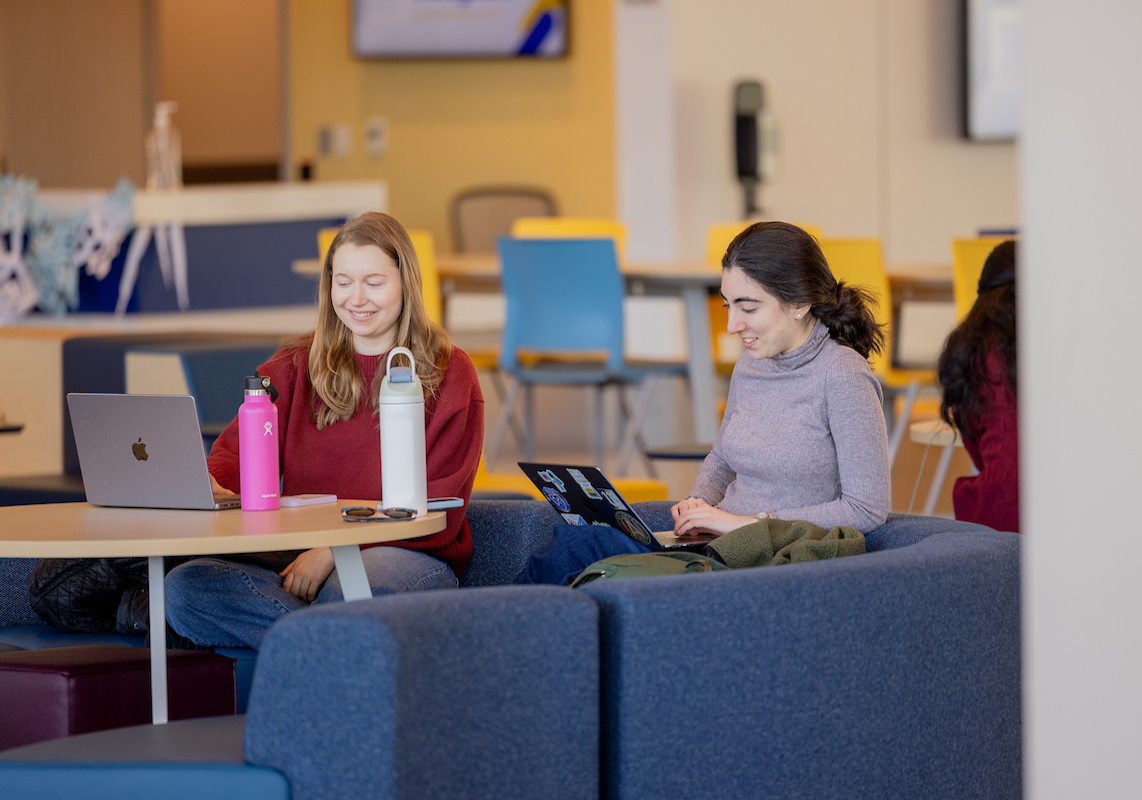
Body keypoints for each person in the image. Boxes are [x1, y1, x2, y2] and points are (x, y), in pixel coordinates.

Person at [164, 212, 485, 649]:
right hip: (295, 554)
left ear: (406, 284)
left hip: (403, 554)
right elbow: (233, 457)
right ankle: (337, 649)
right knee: (186, 589)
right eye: (343, 281)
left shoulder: (449, 371)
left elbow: (438, 509)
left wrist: (336, 551)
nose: (356, 298)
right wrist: (206, 484)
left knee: (349, 595)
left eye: (374, 282)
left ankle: (322, 642)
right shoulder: (296, 363)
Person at [519, 221, 891, 585]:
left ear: (800, 302)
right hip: (716, 548)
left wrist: (747, 523)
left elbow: (867, 509)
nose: (731, 326)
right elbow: (723, 457)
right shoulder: (752, 366)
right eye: (728, 305)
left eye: (748, 308)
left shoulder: (843, 375)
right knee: (575, 540)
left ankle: (487, 625)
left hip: (763, 564)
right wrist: (698, 502)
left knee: (582, 547)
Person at [936, 239, 1018, 533]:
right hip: (1058, 506)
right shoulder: (1055, 341)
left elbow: (979, 449)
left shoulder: (970, 350)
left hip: (991, 518)